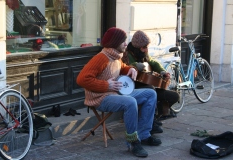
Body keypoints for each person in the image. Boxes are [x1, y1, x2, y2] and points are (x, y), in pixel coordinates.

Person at [77, 27, 161, 158]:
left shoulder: (116, 57)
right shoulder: (101, 58)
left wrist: (131, 68)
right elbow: (81, 79)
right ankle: (133, 142)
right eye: (123, 41)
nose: (126, 44)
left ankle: (144, 135)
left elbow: (122, 67)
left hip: (116, 94)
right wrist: (106, 85)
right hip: (100, 98)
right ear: (115, 43)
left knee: (151, 94)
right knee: (130, 102)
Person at [122, 30, 180, 134]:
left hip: (147, 85)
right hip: (134, 87)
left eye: (146, 47)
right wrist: (136, 65)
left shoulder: (144, 53)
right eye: (144, 47)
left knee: (174, 96)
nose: (146, 50)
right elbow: (124, 67)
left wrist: (162, 71)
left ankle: (156, 118)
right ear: (137, 46)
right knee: (150, 91)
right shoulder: (126, 55)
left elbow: (152, 61)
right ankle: (150, 124)